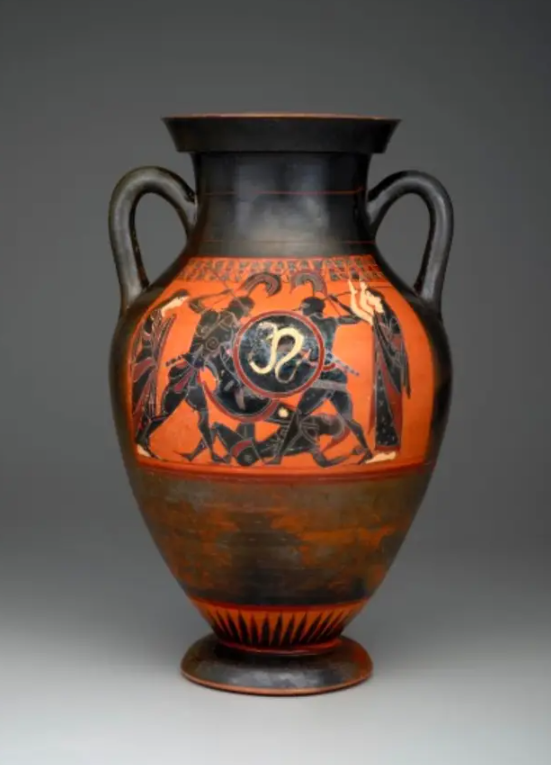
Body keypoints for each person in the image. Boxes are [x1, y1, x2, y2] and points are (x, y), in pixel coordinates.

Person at [136, 294, 254, 461]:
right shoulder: (222, 322)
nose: (242, 316)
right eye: (244, 312)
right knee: (167, 412)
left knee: (203, 414)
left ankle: (207, 454)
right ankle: (141, 439)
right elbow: (196, 308)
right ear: (238, 309)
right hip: (186, 372)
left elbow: (196, 306)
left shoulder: (218, 320)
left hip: (193, 375)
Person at [266, 295, 371, 465]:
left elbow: (297, 345)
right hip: (337, 375)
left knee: (298, 417)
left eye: (302, 306)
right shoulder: (333, 321)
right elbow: (357, 317)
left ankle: (278, 457)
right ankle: (368, 451)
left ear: (309, 307)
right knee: (348, 419)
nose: (301, 310)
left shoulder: (306, 325)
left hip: (321, 375)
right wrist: (339, 303)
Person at [348, 280, 410, 463]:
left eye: (369, 296)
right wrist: (356, 292)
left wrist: (361, 291)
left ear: (377, 298)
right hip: (383, 367)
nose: (366, 299)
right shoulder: (379, 317)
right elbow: (358, 310)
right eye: (367, 296)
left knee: (388, 405)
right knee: (382, 405)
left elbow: (396, 344)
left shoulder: (388, 319)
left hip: (391, 369)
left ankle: (389, 449)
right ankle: (385, 448)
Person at [131, 290, 189, 450]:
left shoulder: (162, 316)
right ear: (176, 298)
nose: (181, 304)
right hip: (146, 362)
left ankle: (142, 440)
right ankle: (138, 439)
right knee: (143, 400)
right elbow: (146, 338)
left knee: (150, 401)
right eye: (181, 301)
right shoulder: (154, 315)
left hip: (152, 363)